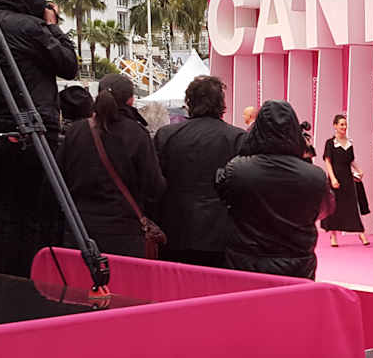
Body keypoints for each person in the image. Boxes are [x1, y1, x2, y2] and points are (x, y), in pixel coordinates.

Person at [0, 0, 78, 273]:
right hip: (34, 128)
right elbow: (68, 65)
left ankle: (4, 273)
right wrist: (53, 27)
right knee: (36, 214)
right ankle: (31, 277)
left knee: (6, 211)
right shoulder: (32, 28)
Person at [216, 101, 332, 278]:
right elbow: (324, 210)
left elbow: (224, 199)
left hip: (246, 263)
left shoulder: (237, 169)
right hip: (296, 265)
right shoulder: (315, 176)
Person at [57, 73, 165, 258]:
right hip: (124, 235)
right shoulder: (137, 134)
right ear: (131, 100)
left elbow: (59, 178)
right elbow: (154, 186)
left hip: (80, 231)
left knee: (81, 285)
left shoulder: (76, 131)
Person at [153, 76, 243, 268]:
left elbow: (155, 181)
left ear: (189, 102)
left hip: (175, 226)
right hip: (220, 229)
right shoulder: (236, 137)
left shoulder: (167, 135)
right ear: (221, 103)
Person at [319, 114, 370, 247]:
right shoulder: (330, 143)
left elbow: (351, 160)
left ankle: (361, 233)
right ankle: (333, 236)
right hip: (335, 178)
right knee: (334, 207)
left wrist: (359, 170)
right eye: (341, 124)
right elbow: (328, 162)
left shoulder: (349, 143)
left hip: (348, 178)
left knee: (352, 205)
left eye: (345, 124)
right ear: (335, 126)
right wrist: (333, 178)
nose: (344, 127)